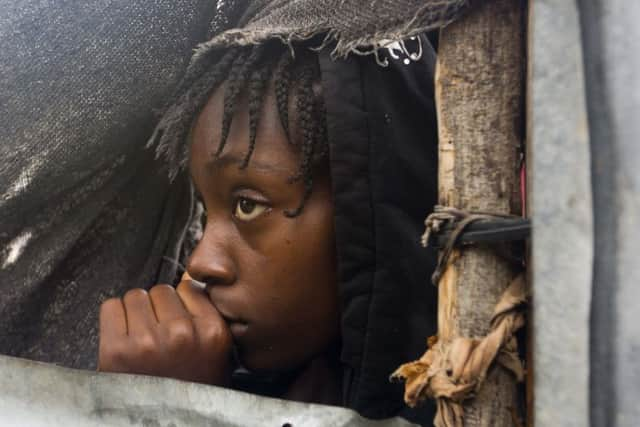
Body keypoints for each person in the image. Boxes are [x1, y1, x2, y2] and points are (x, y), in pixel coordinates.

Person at [99, 35, 439, 424]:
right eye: (207, 213)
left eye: (247, 205)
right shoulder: (246, 376)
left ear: (368, 206)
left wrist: (175, 412)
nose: (199, 262)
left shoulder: (474, 399)